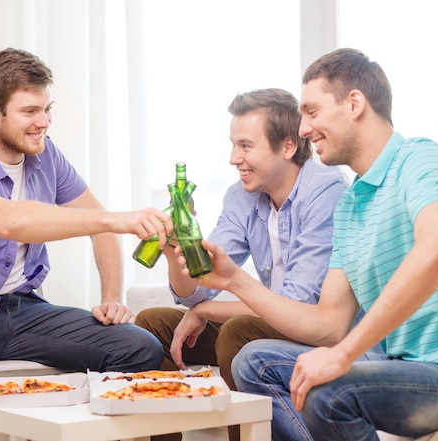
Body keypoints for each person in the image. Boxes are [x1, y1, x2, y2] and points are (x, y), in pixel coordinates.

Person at [175, 48, 438, 441]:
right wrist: (233, 280)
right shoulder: (352, 206)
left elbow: (437, 250)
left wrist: (345, 355)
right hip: (399, 369)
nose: (302, 130)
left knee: (332, 394)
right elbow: (328, 324)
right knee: (254, 360)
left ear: (354, 104)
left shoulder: (424, 162)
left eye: (312, 112)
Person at [0, 47, 172, 441]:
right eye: (29, 111)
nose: (43, 122)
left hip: (25, 311)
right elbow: (10, 221)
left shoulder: (46, 156)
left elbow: (100, 227)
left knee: (139, 348)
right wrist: (116, 218)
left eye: (47, 108)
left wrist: (112, 296)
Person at [135, 88, 348, 441]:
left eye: (246, 146)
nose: (234, 158)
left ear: (288, 146)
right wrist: (178, 249)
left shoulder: (325, 192)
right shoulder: (243, 195)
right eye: (233, 145)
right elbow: (199, 287)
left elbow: (300, 305)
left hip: (317, 331)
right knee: (151, 325)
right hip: (272, 321)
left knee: (238, 331)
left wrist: (207, 312)